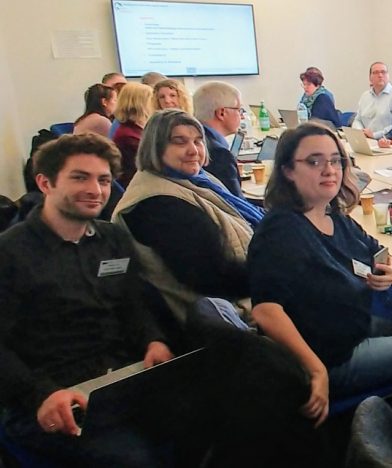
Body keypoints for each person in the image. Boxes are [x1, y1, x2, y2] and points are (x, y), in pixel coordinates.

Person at [0, 133, 173, 466]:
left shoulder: (112, 239)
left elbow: (132, 306)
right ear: (45, 183)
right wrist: (40, 395)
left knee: (215, 418)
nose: (96, 190)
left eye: (104, 180)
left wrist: (153, 340)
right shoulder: (11, 253)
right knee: (133, 458)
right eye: (80, 177)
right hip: (51, 394)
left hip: (118, 380)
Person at [249, 122, 392, 425]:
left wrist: (390, 271)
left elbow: (381, 252)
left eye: (335, 160)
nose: (329, 169)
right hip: (331, 357)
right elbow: (266, 310)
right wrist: (316, 370)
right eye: (314, 161)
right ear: (288, 170)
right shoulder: (281, 231)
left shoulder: (332, 216)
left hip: (352, 328)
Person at [113, 109, 263, 327]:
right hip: (227, 316)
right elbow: (213, 278)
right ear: (155, 147)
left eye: (198, 141)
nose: (193, 150)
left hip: (244, 293)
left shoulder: (195, 179)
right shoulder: (158, 204)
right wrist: (277, 271)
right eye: (179, 142)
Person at [192, 81, 246, 197]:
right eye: (239, 110)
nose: (242, 116)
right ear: (221, 113)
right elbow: (236, 208)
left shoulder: (197, 141)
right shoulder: (219, 154)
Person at [111, 82, 153, 187]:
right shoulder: (128, 136)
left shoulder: (134, 129)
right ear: (140, 104)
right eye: (151, 100)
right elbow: (150, 166)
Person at [352, 62, 392, 139]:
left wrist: (374, 135)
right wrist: (360, 132)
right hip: (366, 140)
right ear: (370, 77)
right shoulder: (365, 96)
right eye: (375, 73)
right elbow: (357, 120)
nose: (380, 75)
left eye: (383, 72)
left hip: (386, 142)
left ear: (388, 76)